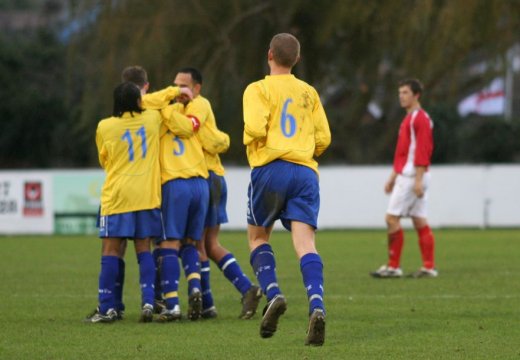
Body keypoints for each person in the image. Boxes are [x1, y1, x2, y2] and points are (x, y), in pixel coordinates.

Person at [242, 33, 331, 346]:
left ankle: (274, 294)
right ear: (297, 59)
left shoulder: (258, 88)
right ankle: (317, 305)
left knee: (257, 237)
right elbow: (324, 139)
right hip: (306, 171)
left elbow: (254, 127)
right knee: (306, 243)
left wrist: (261, 140)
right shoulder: (308, 92)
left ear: (269, 54)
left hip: (270, 168)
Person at [91, 65, 190, 321]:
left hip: (118, 196)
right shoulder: (152, 119)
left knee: (111, 251)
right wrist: (175, 92)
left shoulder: (105, 126)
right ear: (139, 100)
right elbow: (153, 103)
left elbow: (105, 160)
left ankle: (107, 307)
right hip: (147, 196)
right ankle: (147, 303)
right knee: (144, 250)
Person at [172, 67, 262, 320]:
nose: (178, 89)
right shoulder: (182, 107)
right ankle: (241, 290)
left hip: (206, 177)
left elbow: (194, 133)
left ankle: (209, 302)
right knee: (209, 245)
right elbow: (216, 140)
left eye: (184, 85)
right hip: (209, 178)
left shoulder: (198, 105)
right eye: (175, 84)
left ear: (197, 88)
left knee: (197, 244)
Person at [371, 78, 437, 279]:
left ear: (416, 95)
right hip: (408, 174)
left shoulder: (420, 119)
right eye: (400, 92)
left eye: (406, 92)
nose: (401, 96)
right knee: (419, 220)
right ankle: (428, 267)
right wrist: (392, 177)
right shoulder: (409, 119)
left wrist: (417, 179)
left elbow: (423, 150)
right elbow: (403, 152)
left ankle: (393, 266)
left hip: (412, 176)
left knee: (391, 218)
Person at [155, 86, 210, 322]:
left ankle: (173, 305)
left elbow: (144, 101)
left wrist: (163, 104)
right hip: (200, 183)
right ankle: (195, 287)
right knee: (190, 243)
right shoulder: (190, 114)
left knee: (169, 244)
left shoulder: (158, 117)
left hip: (175, 184)